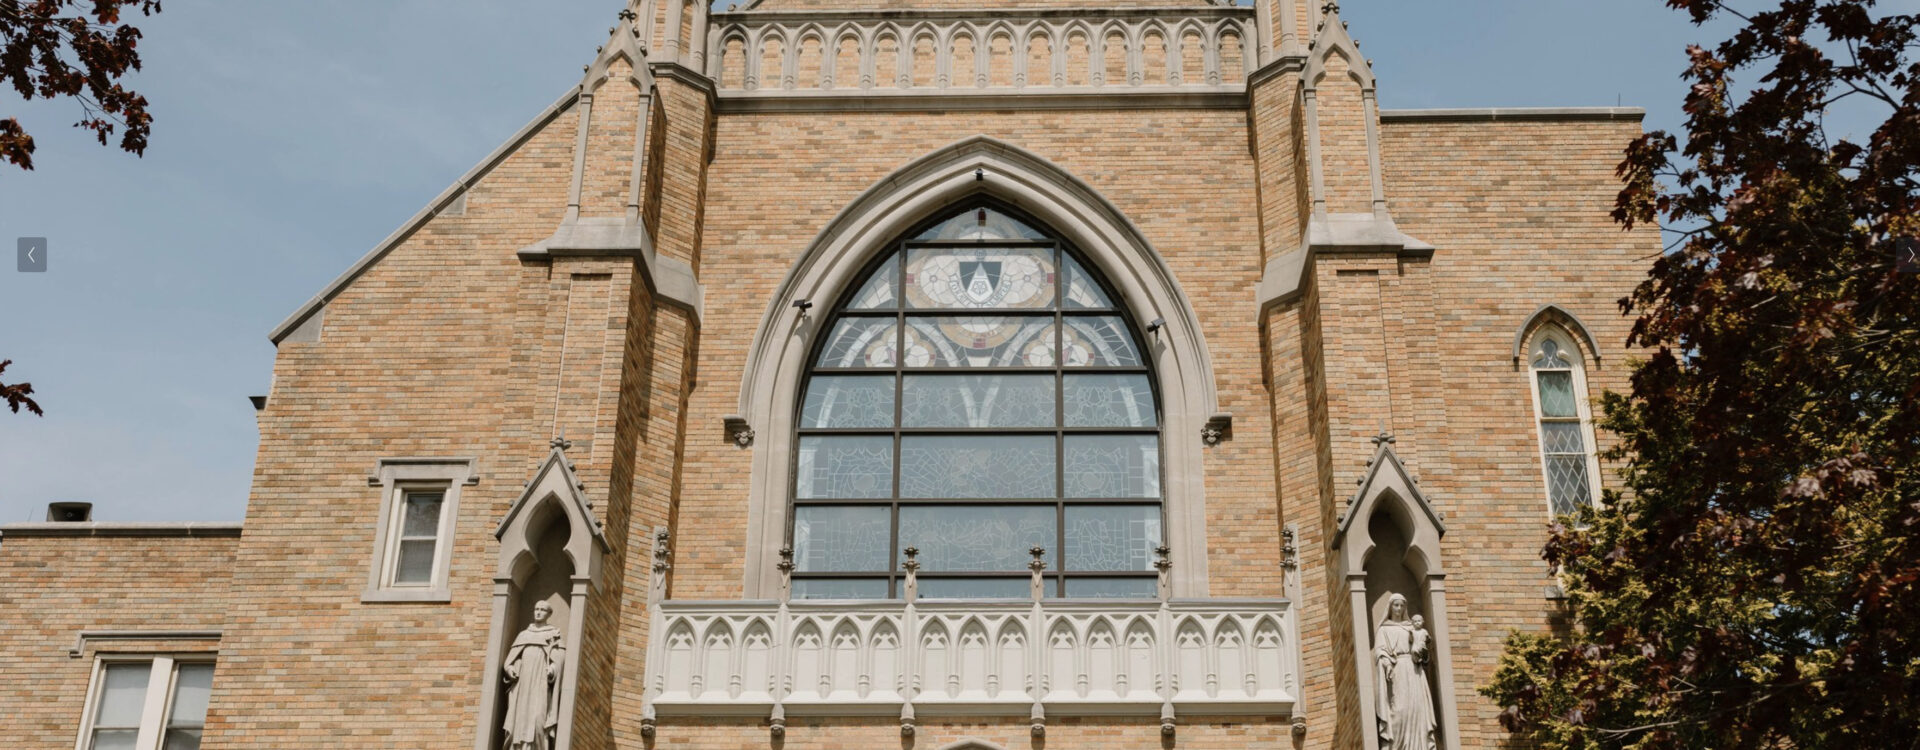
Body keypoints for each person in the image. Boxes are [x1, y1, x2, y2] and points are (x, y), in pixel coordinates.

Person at [1374, 593, 1437, 750]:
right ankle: (1397, 746)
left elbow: (1424, 651)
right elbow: (1380, 651)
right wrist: (1387, 663)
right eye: (1396, 605)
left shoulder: (1412, 627)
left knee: (1418, 709)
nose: (1399, 608)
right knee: (1399, 711)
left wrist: (1422, 652)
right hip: (1397, 671)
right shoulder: (1384, 629)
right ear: (1390, 607)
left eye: (1402, 605)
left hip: (1414, 670)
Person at [502, 601, 566, 750]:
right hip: (522, 685)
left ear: (549, 614)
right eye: (536, 609)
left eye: (542, 610)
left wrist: (552, 668)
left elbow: (559, 658)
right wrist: (510, 668)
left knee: (538, 719)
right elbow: (510, 660)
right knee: (518, 720)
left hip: (541, 683)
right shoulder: (524, 635)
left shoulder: (553, 634)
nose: (538, 612)